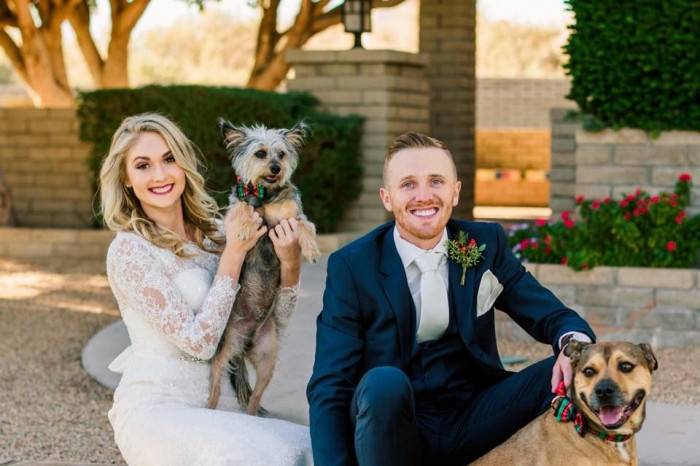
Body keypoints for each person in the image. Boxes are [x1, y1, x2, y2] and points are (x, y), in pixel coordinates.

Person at [307, 132, 595, 466]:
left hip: (474, 415)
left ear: (455, 191)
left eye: (436, 181)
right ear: (387, 198)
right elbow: (330, 384)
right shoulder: (353, 265)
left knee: (576, 368)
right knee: (383, 382)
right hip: (396, 429)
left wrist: (574, 350)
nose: (424, 196)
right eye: (408, 184)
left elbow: (549, 314)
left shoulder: (485, 243)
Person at [101, 113, 313, 466]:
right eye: (142, 165)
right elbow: (199, 345)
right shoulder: (129, 251)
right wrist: (234, 254)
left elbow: (272, 317)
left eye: (169, 159)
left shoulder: (219, 229)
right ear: (125, 179)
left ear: (184, 164)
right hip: (162, 411)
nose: (160, 174)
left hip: (226, 406)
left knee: (313, 449)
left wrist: (290, 264)